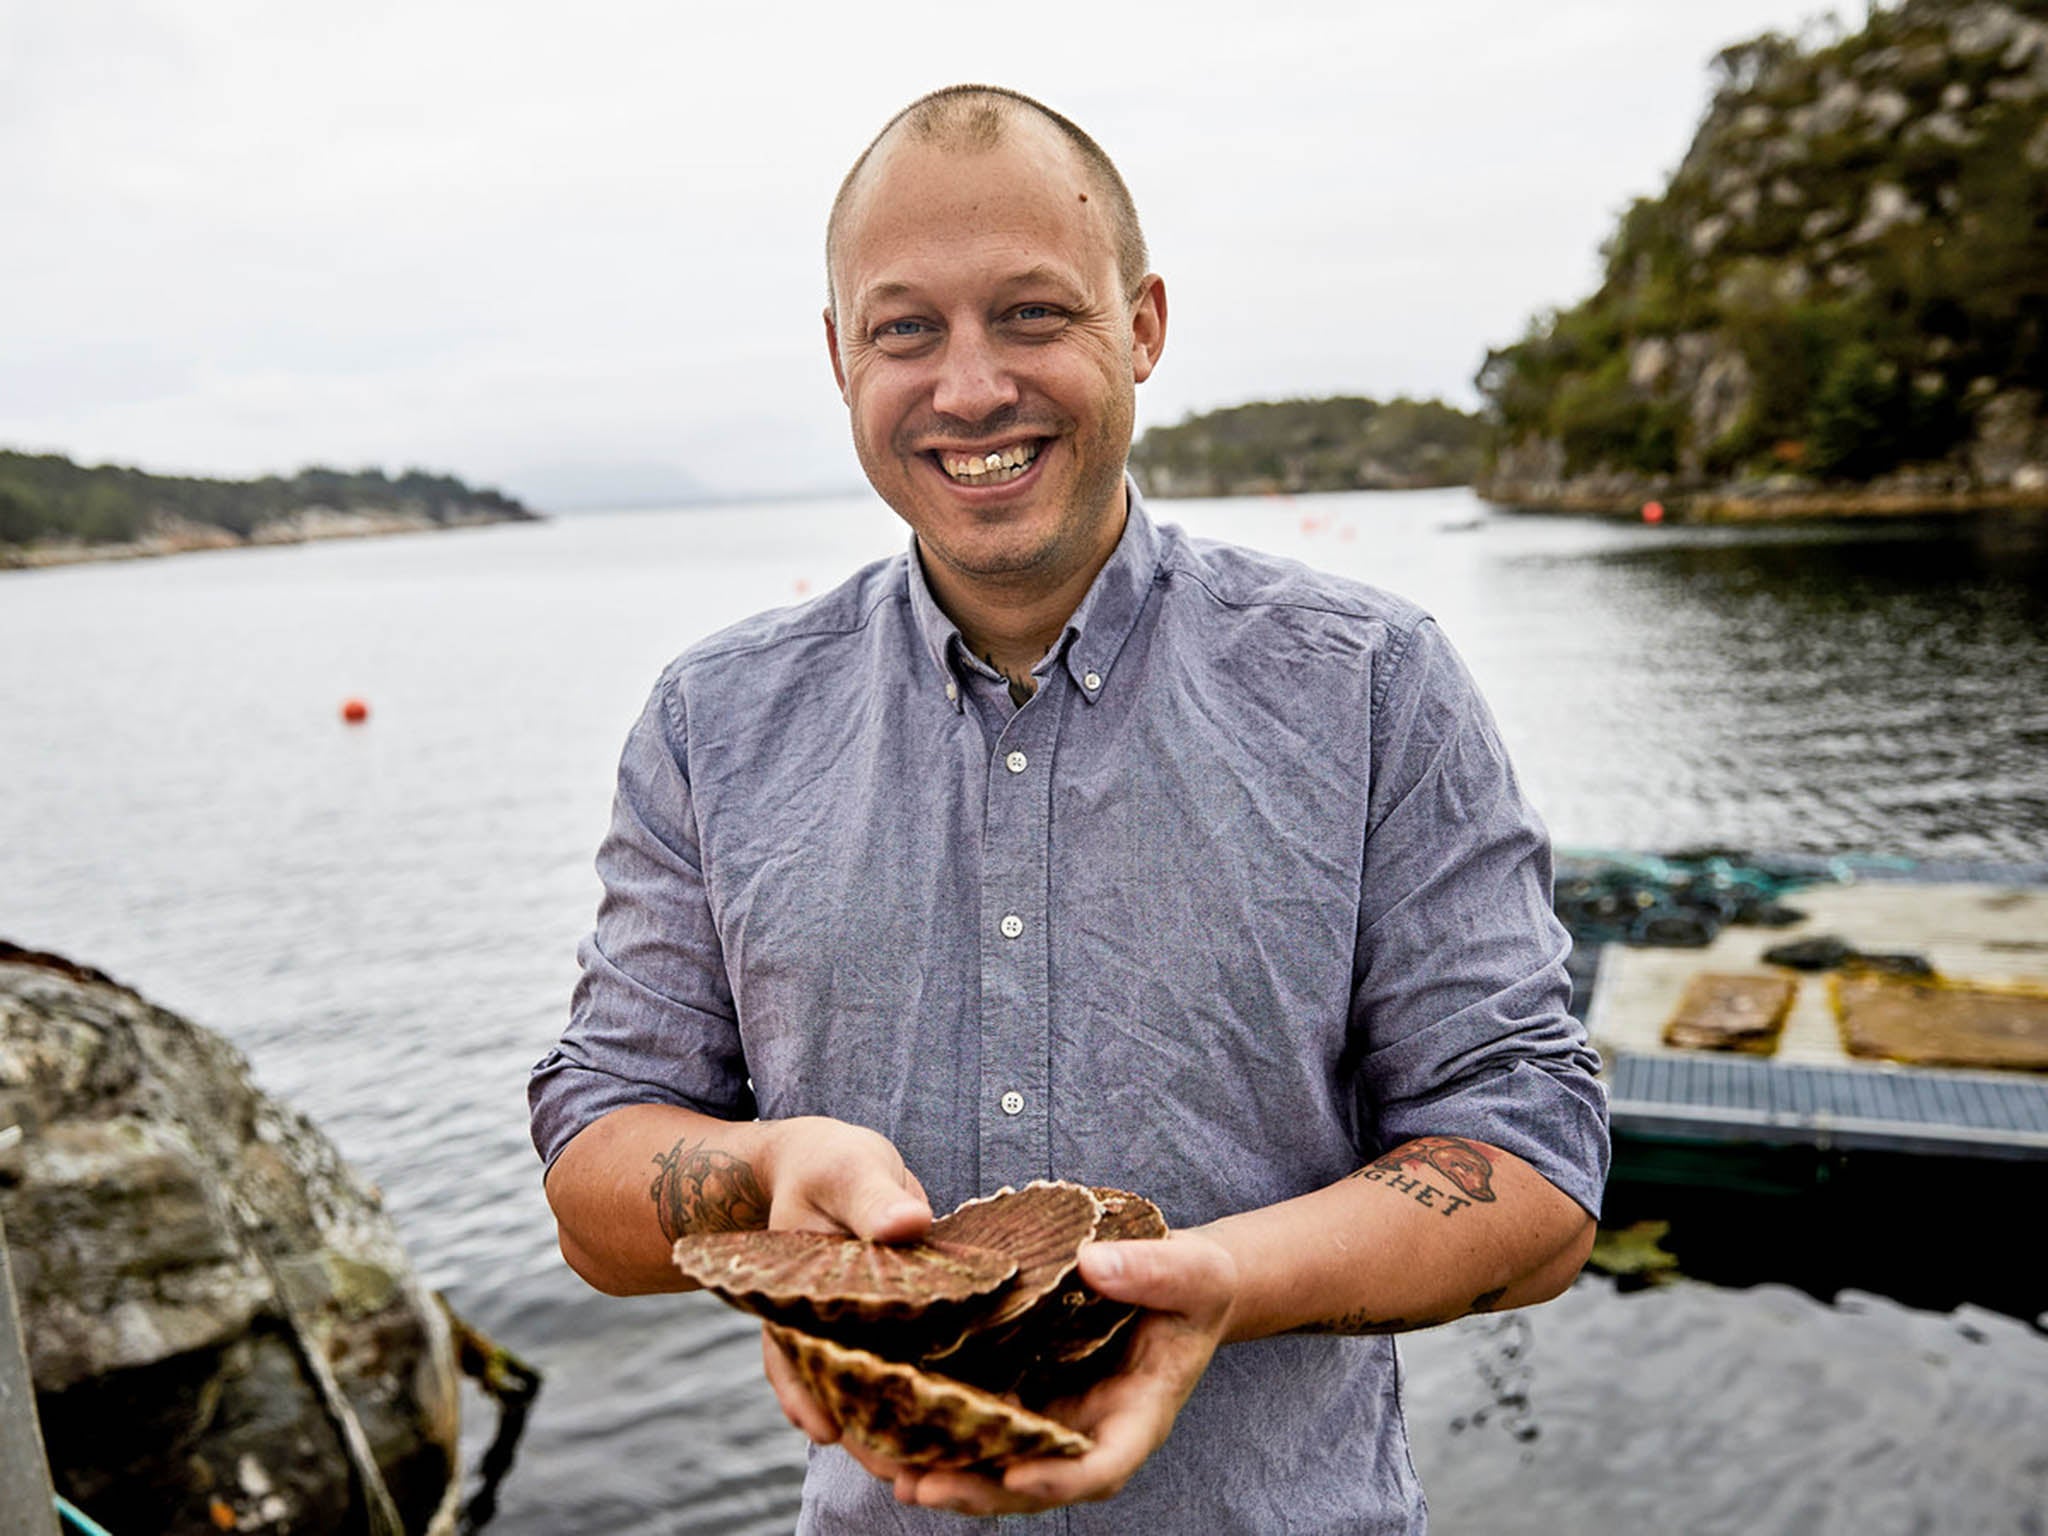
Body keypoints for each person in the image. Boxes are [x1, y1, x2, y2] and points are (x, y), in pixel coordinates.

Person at [530, 83, 1608, 1533]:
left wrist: (1220, 1286)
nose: (970, 388)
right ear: (840, 357)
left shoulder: (1372, 686)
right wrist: (764, 1170)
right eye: (906, 328)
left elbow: (1531, 1157)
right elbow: (595, 1162)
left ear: (1143, 325)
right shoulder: (711, 727)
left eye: (1032, 315)